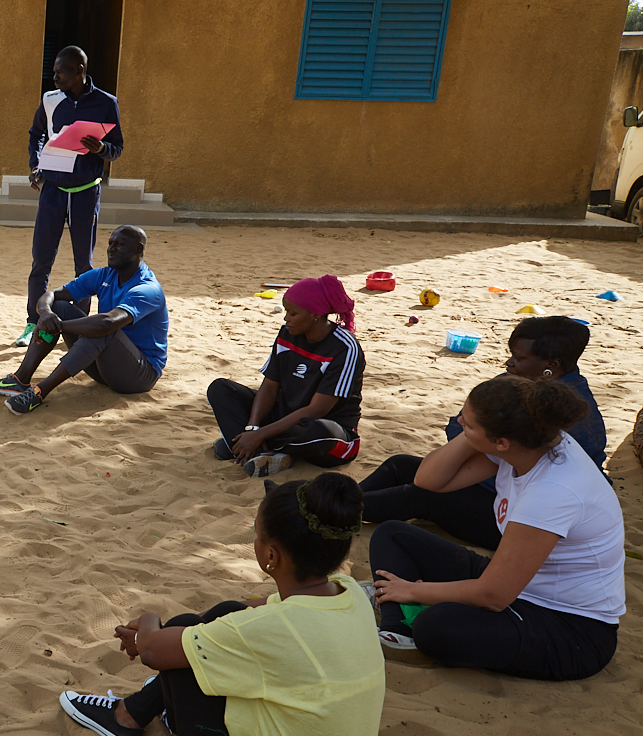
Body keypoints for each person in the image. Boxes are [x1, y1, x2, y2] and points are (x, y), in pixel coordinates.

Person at [59, 473, 383, 736]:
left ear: (271, 556)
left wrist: (149, 620)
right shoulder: (352, 597)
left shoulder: (272, 632)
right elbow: (248, 612)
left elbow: (150, 650)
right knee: (221, 618)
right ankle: (139, 711)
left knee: (180, 631)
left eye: (257, 535)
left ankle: (128, 717)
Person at [370, 376, 623, 679]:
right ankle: (396, 625)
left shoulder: (553, 491)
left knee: (435, 626)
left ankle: (403, 613)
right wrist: (473, 431)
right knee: (392, 534)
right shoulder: (526, 444)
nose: (459, 420)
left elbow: (493, 595)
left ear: (502, 442)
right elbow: (428, 481)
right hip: (517, 585)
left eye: (468, 422)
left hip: (570, 627)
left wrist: (415, 590)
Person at [360, 315, 606, 549]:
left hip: (526, 522)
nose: (509, 363)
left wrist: (475, 435)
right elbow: (461, 426)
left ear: (551, 365)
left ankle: (331, 509)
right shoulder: (519, 384)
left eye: (518, 358)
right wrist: (475, 433)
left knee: (424, 496)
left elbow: (470, 434)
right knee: (401, 466)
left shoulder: (560, 417)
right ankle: (337, 501)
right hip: (499, 483)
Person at [0, 225, 165, 415]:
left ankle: (40, 391)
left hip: (139, 375)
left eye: (119, 244)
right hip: (105, 368)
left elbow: (108, 323)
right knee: (59, 307)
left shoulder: (147, 288)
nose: (111, 249)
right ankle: (20, 379)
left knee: (101, 328)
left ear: (138, 249)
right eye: (110, 243)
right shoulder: (105, 275)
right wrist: (46, 314)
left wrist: (59, 326)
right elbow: (52, 294)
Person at [17, 45, 124, 347]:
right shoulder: (51, 101)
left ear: (78, 70)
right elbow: (36, 133)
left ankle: (78, 327)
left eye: (59, 72)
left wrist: (101, 150)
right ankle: (33, 322)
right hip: (52, 190)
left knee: (84, 265)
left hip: (85, 192)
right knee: (41, 261)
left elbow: (117, 147)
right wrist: (36, 163)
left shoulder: (106, 103)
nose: (54, 78)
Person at [207, 275, 364, 478]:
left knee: (313, 431)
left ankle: (243, 444)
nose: (286, 318)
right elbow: (270, 386)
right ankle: (260, 451)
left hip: (325, 428)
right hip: (284, 418)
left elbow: (317, 409)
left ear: (315, 315)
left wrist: (260, 434)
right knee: (221, 389)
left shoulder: (345, 347)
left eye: (293, 313)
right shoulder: (287, 334)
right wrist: (252, 427)